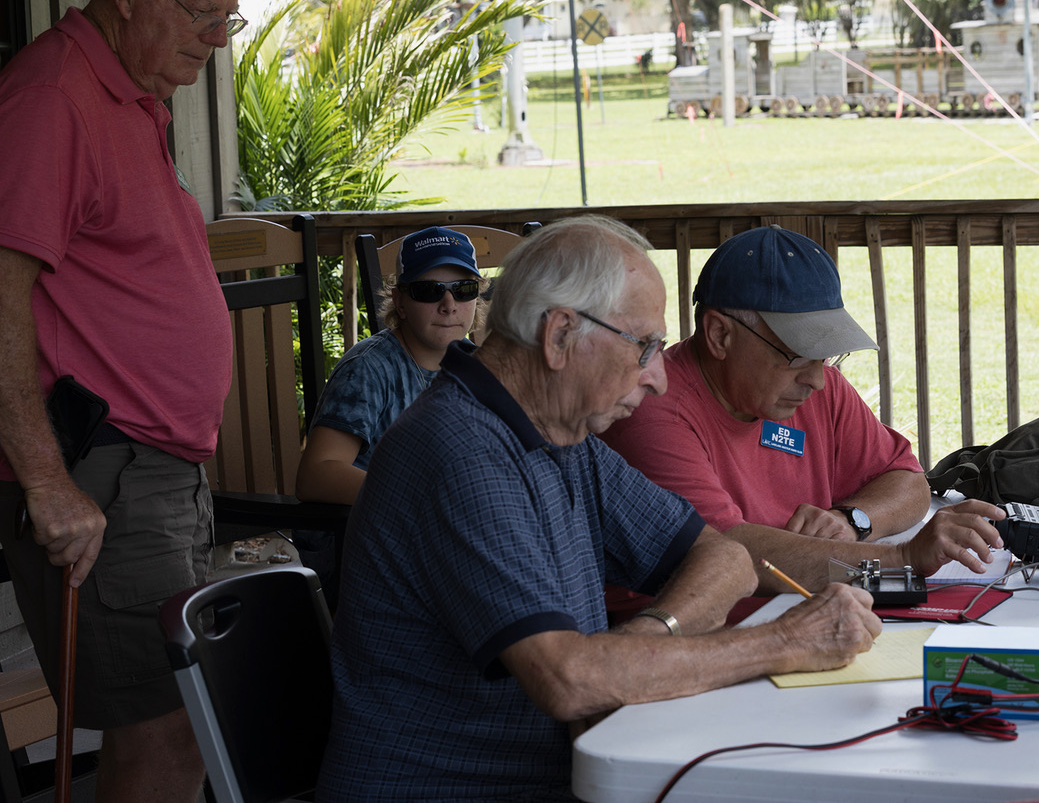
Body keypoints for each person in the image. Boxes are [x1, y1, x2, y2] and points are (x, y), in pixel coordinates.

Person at [317, 215, 882, 802]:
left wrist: (646, 638)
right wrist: (785, 641)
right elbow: (568, 680)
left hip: (576, 770)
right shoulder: (460, 451)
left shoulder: (563, 438)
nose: (660, 378)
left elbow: (726, 557)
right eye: (645, 346)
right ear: (560, 336)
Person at [0, 0, 245, 800]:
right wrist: (44, 480)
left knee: (182, 725)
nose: (217, 38)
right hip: (108, 474)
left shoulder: (133, 92)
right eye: (201, 15)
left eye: (229, 18)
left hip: (155, 472)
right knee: (164, 728)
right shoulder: (53, 97)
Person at [601, 225, 1005, 613]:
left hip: (796, 606)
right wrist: (901, 558)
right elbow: (725, 551)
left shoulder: (816, 386)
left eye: (825, 353)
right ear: (720, 335)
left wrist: (852, 520)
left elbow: (908, 481)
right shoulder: (654, 410)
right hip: (689, 632)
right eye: (796, 354)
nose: (816, 379)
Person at [293, 226, 482, 603]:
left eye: (463, 290)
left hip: (438, 539)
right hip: (362, 544)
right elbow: (315, 475)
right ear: (399, 302)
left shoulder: (473, 364)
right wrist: (422, 496)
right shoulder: (370, 369)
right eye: (430, 291)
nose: (449, 305)